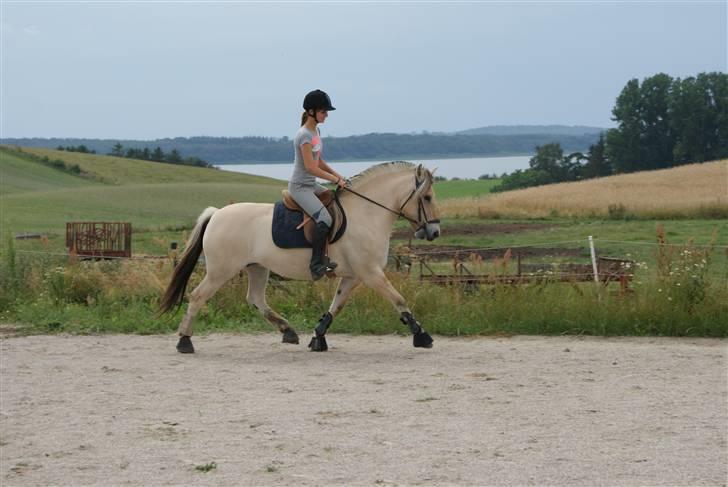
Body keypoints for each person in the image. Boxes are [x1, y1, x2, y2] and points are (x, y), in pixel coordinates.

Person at [289, 89, 347, 280]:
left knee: (334, 200)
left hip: (311, 185)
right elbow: (311, 167)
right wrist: (335, 180)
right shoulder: (304, 135)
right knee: (325, 219)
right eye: (323, 111)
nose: (327, 114)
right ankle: (315, 265)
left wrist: (339, 176)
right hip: (300, 187)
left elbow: (319, 161)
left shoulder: (316, 131)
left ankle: (328, 254)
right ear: (312, 112)